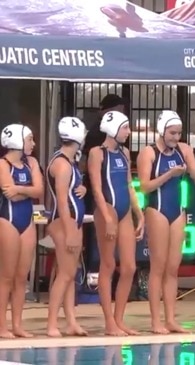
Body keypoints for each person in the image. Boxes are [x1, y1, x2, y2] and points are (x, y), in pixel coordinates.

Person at [136, 110, 195, 334]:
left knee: (173, 268)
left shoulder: (184, 150)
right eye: (172, 133)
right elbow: (144, 186)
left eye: (179, 133)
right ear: (162, 130)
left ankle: (171, 319)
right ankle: (156, 321)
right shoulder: (149, 153)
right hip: (157, 210)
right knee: (158, 267)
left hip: (178, 212)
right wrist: (170, 174)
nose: (176, 137)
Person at [88, 110, 144, 336]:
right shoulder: (96, 153)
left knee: (130, 267)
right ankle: (109, 321)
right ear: (113, 129)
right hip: (106, 210)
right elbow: (96, 189)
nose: (129, 132)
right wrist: (108, 217)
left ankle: (119, 320)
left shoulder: (124, 153)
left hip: (124, 212)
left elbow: (130, 186)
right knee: (108, 265)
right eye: (125, 128)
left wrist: (139, 214)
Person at [45, 117, 89, 338]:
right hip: (64, 222)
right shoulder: (62, 164)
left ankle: (71, 321)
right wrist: (70, 230)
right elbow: (62, 200)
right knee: (64, 274)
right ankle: (52, 323)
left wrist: (82, 189)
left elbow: (71, 191)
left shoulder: (70, 162)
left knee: (71, 274)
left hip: (73, 220)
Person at [0, 124, 42, 338]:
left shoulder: (32, 162)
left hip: (27, 222)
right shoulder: (2, 165)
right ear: (17, 141)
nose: (33, 144)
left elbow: (40, 191)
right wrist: (25, 191)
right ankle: (1, 326)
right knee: (6, 277)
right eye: (30, 139)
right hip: (7, 221)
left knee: (20, 278)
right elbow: (11, 196)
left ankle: (17, 325)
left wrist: (19, 189)